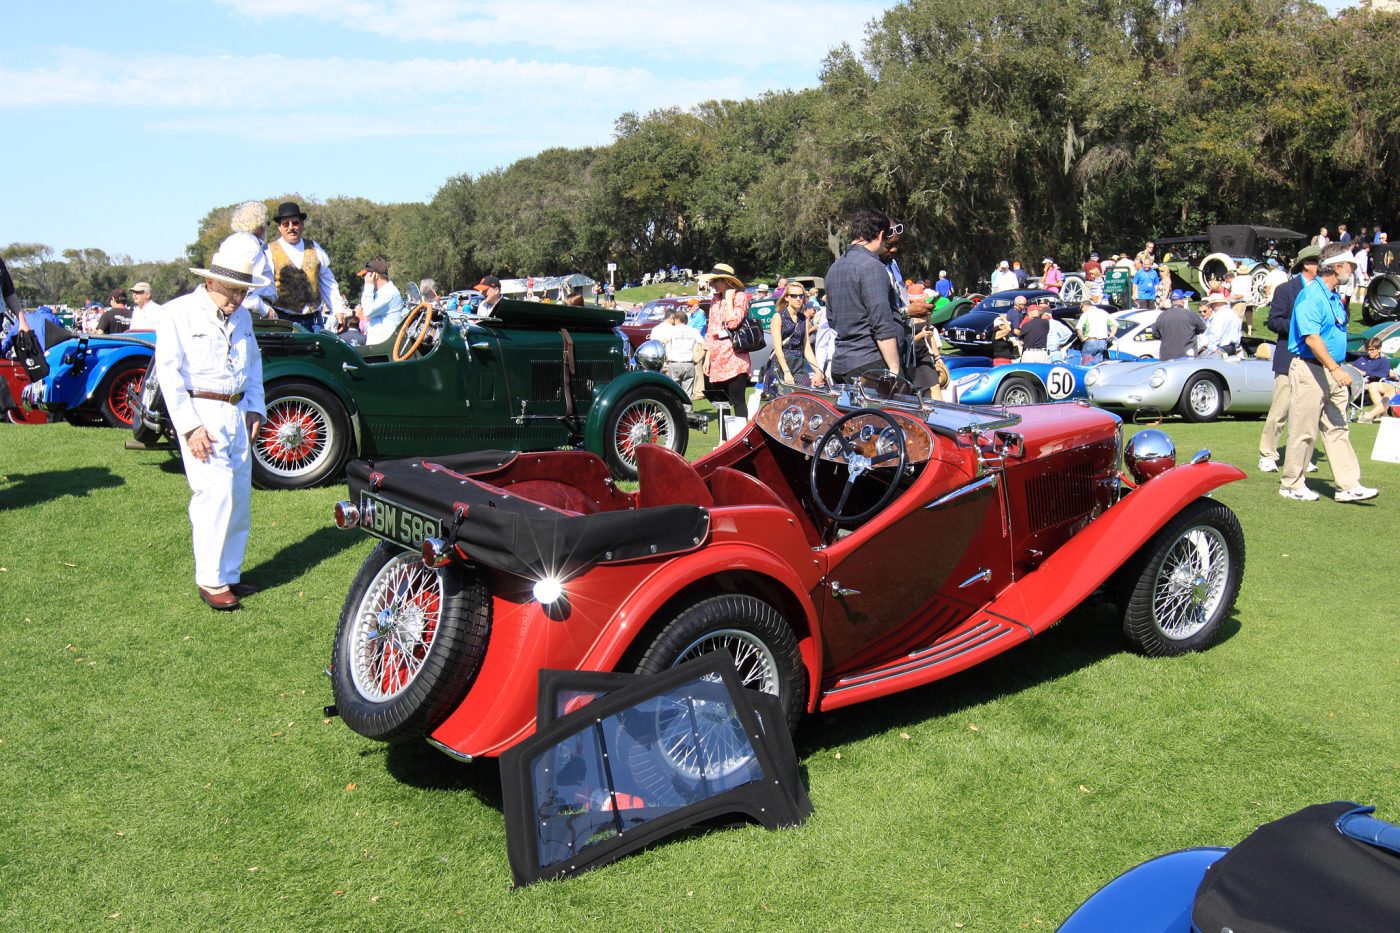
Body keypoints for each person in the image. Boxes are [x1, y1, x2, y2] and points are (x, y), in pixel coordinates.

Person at [154, 237, 268, 610]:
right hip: (202, 410)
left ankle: (229, 573)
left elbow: (253, 365)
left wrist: (255, 407)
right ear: (210, 281)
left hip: (237, 410)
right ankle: (211, 579)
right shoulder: (177, 313)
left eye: (242, 291)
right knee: (213, 495)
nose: (236, 298)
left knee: (238, 496)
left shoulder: (243, 317)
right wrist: (189, 427)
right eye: (231, 290)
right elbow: (168, 375)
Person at [1280, 245, 1375, 502]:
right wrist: (1335, 368)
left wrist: (1337, 367)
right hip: (1311, 367)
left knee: (1338, 427)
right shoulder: (1311, 295)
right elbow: (1311, 338)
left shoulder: (1333, 296)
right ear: (1336, 267)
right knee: (1304, 429)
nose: (1352, 270)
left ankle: (1348, 485)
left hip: (1332, 369)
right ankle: (1292, 484)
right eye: (1350, 266)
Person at [1259, 247, 1320, 473]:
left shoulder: (1323, 292)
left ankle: (1302, 457)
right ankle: (1268, 454)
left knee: (1306, 413)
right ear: (1307, 264)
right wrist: (1300, 327)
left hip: (1313, 359)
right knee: (1280, 410)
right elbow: (1274, 321)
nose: (1322, 267)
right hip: (1289, 357)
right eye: (1318, 262)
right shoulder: (1285, 289)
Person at [826, 209, 903, 383]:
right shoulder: (872, 266)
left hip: (841, 365)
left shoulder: (834, 268)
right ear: (881, 235)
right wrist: (894, 369)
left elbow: (831, 319)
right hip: (870, 364)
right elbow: (881, 322)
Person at [264, 201, 348, 330]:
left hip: (314, 319)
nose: (291, 228)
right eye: (286, 224)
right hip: (282, 319)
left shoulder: (315, 248)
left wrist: (338, 309)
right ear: (279, 227)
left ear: (302, 225)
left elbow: (327, 281)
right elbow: (265, 286)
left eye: (295, 223)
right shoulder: (269, 250)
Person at [699, 262, 752, 425]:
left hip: (734, 356)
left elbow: (733, 323)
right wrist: (707, 355)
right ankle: (723, 437)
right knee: (721, 403)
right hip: (716, 358)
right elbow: (711, 329)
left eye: (716, 280)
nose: (713, 284)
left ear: (727, 281)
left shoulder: (740, 297)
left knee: (737, 401)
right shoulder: (714, 300)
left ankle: (740, 436)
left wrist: (729, 300)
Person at [766, 283, 823, 389]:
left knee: (804, 394)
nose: (798, 299)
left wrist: (818, 371)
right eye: (794, 296)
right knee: (782, 398)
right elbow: (778, 348)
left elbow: (807, 349)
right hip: (781, 363)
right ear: (786, 298)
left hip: (798, 363)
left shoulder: (804, 319)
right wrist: (786, 371)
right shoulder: (778, 317)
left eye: (801, 296)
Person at [224, 200, 275, 318]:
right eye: (266, 223)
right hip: (252, 312)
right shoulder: (252, 246)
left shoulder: (230, 241)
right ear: (261, 226)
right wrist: (265, 310)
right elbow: (246, 289)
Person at [650, 309, 702, 397]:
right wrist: (698, 359)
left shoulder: (668, 330)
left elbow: (663, 344)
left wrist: (665, 357)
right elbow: (704, 346)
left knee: (673, 392)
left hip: (673, 363)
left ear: (676, 319)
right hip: (689, 363)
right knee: (687, 393)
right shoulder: (692, 330)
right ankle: (687, 406)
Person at [356, 259, 405, 345]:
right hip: (380, 345)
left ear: (374, 275)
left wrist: (368, 285)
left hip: (386, 346)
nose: (364, 279)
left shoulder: (389, 292)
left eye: (365, 276)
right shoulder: (382, 292)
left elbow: (367, 311)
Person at [906, 295, 944, 400]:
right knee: (910, 389)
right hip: (909, 356)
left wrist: (937, 357)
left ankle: (939, 409)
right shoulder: (906, 316)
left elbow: (930, 335)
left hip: (923, 354)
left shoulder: (925, 314)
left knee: (935, 385)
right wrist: (920, 335)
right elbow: (906, 341)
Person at [1355, 339, 1398, 422]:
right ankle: (1380, 413)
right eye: (1368, 350)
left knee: (1373, 386)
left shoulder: (1384, 361)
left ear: (1379, 349)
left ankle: (1374, 414)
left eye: (1372, 350)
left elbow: (1383, 374)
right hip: (1360, 383)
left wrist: (1365, 373)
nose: (1369, 352)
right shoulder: (1362, 359)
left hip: (1384, 383)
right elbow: (1352, 367)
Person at [1156, 292, 1205, 360]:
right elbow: (1202, 328)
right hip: (1187, 357)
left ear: (1171, 302)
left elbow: (1155, 334)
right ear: (1183, 301)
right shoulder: (1191, 314)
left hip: (1167, 358)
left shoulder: (1162, 316)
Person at [1227, 267, 1253, 336]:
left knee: (1237, 317)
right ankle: (1249, 331)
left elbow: (1237, 292)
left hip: (1240, 299)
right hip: (1248, 298)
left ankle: (1236, 332)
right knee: (1249, 314)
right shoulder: (1250, 278)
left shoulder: (1237, 279)